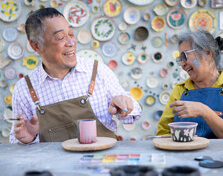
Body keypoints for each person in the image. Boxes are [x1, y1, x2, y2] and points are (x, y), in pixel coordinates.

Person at [10, 8, 142, 144]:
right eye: (61, 38)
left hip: (103, 162)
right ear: (36, 46)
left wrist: (126, 105)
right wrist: (27, 140)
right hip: (53, 165)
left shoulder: (97, 71)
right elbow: (15, 142)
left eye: (71, 34)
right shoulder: (24, 89)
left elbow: (133, 115)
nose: (71, 42)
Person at [157, 30, 223, 139]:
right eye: (180, 59)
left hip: (221, 155)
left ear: (207, 54)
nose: (183, 64)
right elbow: (163, 133)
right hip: (183, 155)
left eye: (185, 56)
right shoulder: (180, 90)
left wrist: (204, 111)